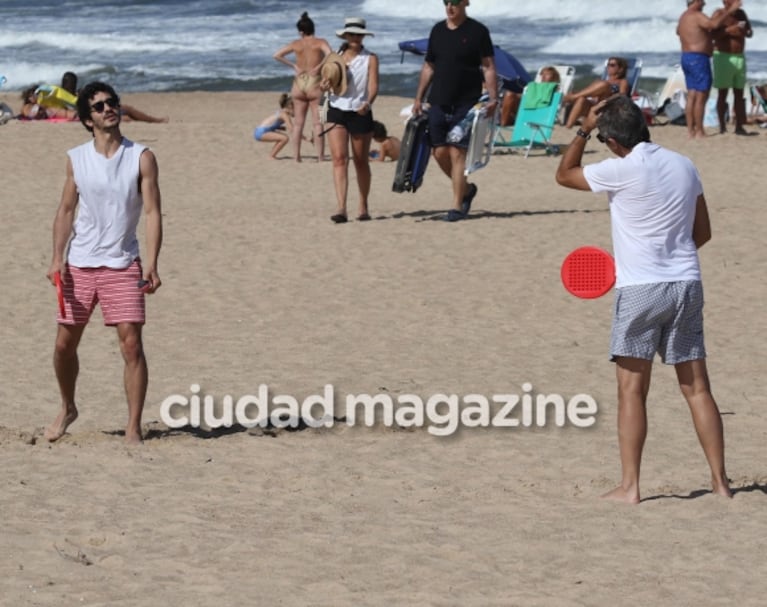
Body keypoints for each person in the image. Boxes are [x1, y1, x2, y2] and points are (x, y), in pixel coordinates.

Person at [554, 95, 732, 504]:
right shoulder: (684, 165)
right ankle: (721, 483)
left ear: (613, 141)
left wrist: (582, 128)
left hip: (640, 289)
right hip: (686, 282)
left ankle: (630, 487)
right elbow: (701, 232)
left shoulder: (619, 169)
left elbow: (564, 174)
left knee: (632, 390)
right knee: (697, 388)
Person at [45, 81, 163, 445]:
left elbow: (154, 212)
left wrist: (153, 262)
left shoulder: (141, 156)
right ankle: (67, 406)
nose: (109, 109)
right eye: (99, 106)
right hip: (79, 264)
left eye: (112, 102)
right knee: (64, 346)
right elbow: (66, 210)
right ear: (87, 120)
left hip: (123, 262)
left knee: (131, 346)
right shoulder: (76, 158)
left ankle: (133, 428)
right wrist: (56, 258)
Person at [413, 0, 497, 222]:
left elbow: (488, 66)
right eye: (446, 2)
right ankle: (467, 190)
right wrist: (418, 97)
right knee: (439, 152)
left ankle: (456, 206)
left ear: (466, 3)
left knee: (456, 152)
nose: (450, 7)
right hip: (438, 101)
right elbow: (429, 66)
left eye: (455, 2)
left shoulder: (478, 31)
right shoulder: (438, 30)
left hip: (466, 103)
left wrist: (493, 97)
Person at [320, 17, 379, 223]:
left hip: (360, 111)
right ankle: (341, 208)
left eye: (359, 34)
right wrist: (325, 85)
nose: (355, 37)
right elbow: (326, 81)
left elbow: (373, 86)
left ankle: (363, 205)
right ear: (345, 36)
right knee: (338, 159)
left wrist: (368, 102)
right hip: (336, 109)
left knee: (361, 161)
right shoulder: (334, 58)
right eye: (352, 34)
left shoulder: (370, 58)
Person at [676, 0, 743, 139]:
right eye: (702, 1)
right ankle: (699, 131)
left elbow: (678, 31)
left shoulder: (684, 16)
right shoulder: (696, 15)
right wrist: (729, 11)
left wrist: (699, 36)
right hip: (698, 58)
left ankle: (690, 131)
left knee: (692, 95)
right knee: (701, 96)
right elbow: (713, 24)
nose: (704, 3)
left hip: (686, 57)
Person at [273, 12, 333, 162]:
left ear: (300, 31)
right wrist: (319, 66)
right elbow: (331, 54)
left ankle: (296, 157)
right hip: (315, 81)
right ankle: (320, 157)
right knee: (317, 123)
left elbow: (277, 55)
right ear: (313, 29)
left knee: (298, 123)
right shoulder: (320, 42)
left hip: (299, 82)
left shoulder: (296, 44)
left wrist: (294, 65)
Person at [60, 71, 169, 123]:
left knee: (127, 109)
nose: (71, 87)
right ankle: (154, 120)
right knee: (126, 115)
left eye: (72, 84)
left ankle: (153, 120)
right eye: (70, 84)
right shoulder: (59, 96)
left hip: (97, 109)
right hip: (94, 112)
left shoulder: (69, 94)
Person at [711, 0, 753, 135]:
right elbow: (712, 34)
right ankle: (722, 126)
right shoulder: (719, 13)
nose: (738, 2)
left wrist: (745, 31)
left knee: (739, 93)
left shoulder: (741, 14)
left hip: (740, 56)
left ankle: (739, 126)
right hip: (723, 56)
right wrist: (728, 31)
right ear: (726, 2)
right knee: (723, 93)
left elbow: (750, 32)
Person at [563, 58, 629, 129]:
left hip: (606, 107)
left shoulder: (622, 81)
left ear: (620, 69)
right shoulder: (600, 81)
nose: (608, 67)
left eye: (612, 65)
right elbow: (588, 92)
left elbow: (623, 95)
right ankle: (568, 126)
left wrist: (609, 98)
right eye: (608, 65)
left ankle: (573, 97)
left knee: (604, 84)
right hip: (594, 107)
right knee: (581, 99)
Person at [254, 93, 301, 159]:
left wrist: (278, 127)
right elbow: (292, 130)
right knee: (284, 138)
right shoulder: (284, 115)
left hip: (259, 130)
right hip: (261, 132)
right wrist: (306, 138)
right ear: (290, 107)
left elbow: (270, 123)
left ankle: (272, 155)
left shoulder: (281, 112)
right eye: (296, 110)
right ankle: (271, 156)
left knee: (283, 138)